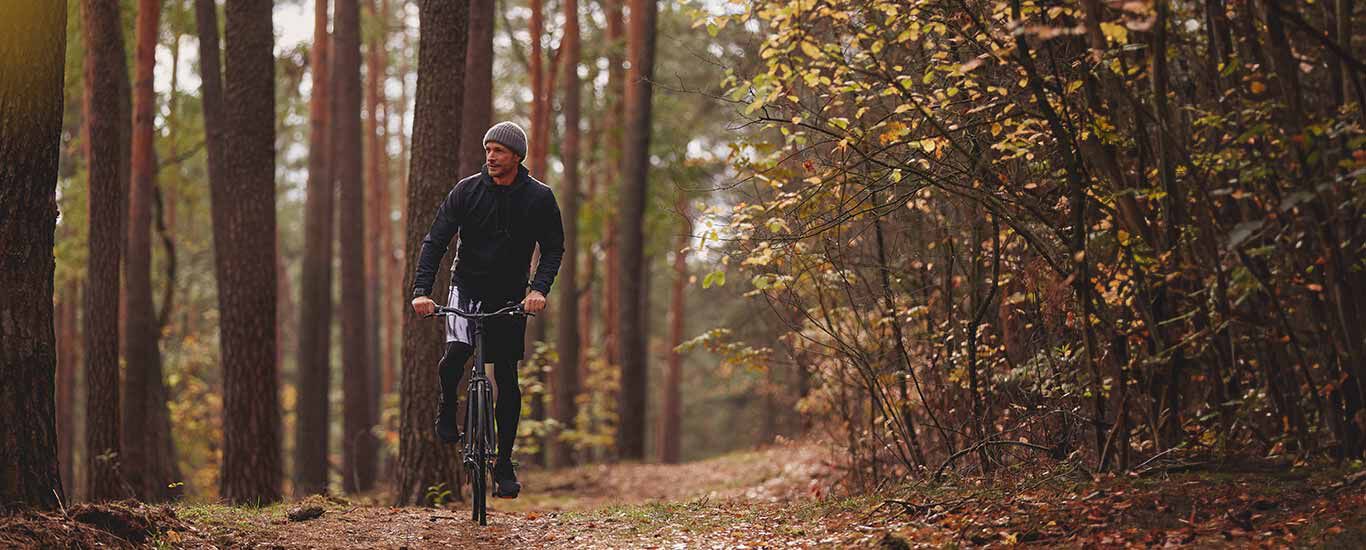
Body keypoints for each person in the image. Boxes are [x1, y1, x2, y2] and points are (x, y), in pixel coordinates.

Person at [410, 121, 564, 499]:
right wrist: (421, 290)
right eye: (487, 150)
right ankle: (448, 407)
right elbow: (436, 240)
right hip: (467, 287)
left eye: (498, 151)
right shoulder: (467, 191)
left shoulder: (539, 197)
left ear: (516, 156)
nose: (490, 157)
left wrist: (539, 290)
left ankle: (504, 464)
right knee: (455, 356)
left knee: (507, 378)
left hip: (511, 295)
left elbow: (554, 248)